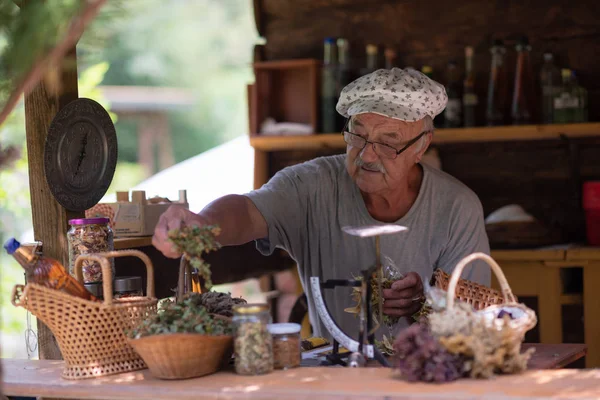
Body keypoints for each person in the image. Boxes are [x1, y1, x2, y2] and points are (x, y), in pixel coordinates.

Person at [153, 67, 490, 339]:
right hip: (332, 373)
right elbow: (247, 211)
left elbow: (470, 320)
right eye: (358, 135)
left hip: (424, 378)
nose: (368, 155)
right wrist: (204, 224)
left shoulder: (456, 208)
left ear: (422, 145)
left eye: (389, 142)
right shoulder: (310, 186)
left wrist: (423, 303)